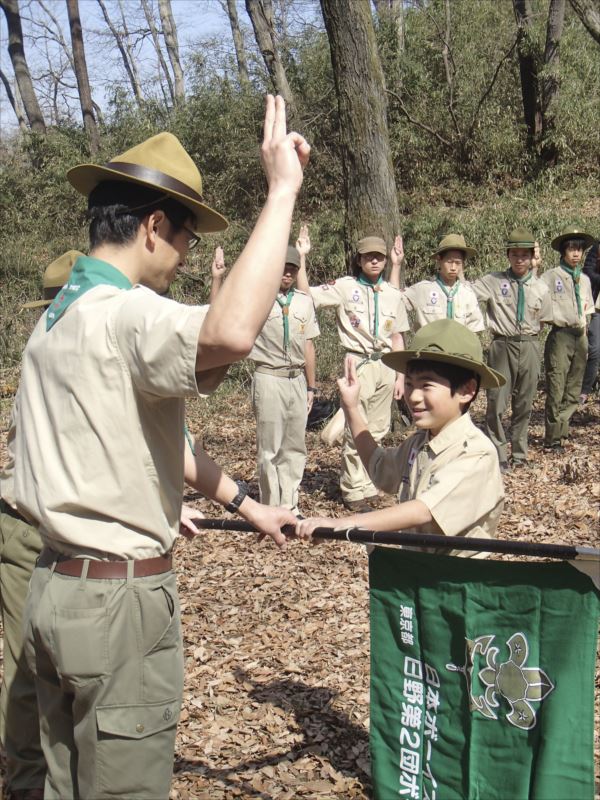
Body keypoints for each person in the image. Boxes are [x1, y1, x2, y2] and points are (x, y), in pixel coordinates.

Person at [13, 95, 309, 800]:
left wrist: (249, 505)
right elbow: (233, 332)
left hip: (53, 588)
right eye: (184, 238)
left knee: (66, 785)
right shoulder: (125, 314)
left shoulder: (58, 319)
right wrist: (282, 192)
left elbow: (154, 432)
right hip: (117, 604)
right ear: (153, 227)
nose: (183, 260)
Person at [296, 319, 506, 558]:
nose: (413, 396)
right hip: (418, 574)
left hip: (456, 585)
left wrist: (346, 523)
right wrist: (352, 408)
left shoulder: (476, 453)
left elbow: (424, 510)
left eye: (426, 385)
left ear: (467, 391)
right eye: (409, 384)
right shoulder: (419, 443)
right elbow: (379, 467)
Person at [0, 251, 81, 800]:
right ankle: (29, 784)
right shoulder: (48, 356)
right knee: (28, 672)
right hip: (30, 530)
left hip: (79, 540)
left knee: (70, 674)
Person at [295, 229, 409, 512]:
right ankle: (351, 487)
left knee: (379, 428)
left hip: (385, 363)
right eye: (368, 257)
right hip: (357, 363)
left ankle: (370, 482)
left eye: (379, 257)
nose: (374, 261)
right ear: (359, 260)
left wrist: (401, 375)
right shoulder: (345, 287)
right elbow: (308, 295)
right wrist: (301, 258)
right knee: (354, 427)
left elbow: (397, 336)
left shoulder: (393, 294)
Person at [210, 242, 319, 516]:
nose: (287, 274)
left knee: (295, 445)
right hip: (269, 377)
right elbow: (219, 313)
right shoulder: (256, 299)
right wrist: (218, 278)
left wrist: (312, 386)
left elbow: (308, 345)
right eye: (283, 268)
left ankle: (290, 504)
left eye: (292, 269)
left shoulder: (305, 302)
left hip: (296, 379)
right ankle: (271, 506)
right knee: (270, 447)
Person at [471, 227, 553, 470]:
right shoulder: (494, 281)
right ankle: (498, 453)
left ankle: (519, 453)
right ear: (508, 255)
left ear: (532, 258)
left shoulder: (540, 287)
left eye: (525, 255)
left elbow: (544, 318)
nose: (520, 260)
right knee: (496, 401)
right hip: (501, 345)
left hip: (529, 344)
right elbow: (466, 292)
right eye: (515, 254)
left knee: (525, 402)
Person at [540, 227, 595, 451]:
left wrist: (585, 335)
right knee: (556, 387)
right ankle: (552, 439)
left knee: (573, 389)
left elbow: (588, 309)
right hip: (560, 336)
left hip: (579, 335)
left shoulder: (584, 280)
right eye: (571, 249)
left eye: (579, 250)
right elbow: (536, 296)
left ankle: (562, 433)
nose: (576, 254)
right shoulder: (551, 276)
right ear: (563, 252)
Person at [397, 233, 484, 332]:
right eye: (449, 262)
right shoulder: (423, 290)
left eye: (458, 263)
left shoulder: (467, 294)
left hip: (457, 347)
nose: (453, 268)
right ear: (439, 260)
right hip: (428, 346)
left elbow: (473, 333)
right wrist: (396, 265)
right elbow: (393, 300)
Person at [580, 242, 600, 404]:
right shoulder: (597, 246)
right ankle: (585, 389)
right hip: (598, 307)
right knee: (594, 349)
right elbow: (587, 271)